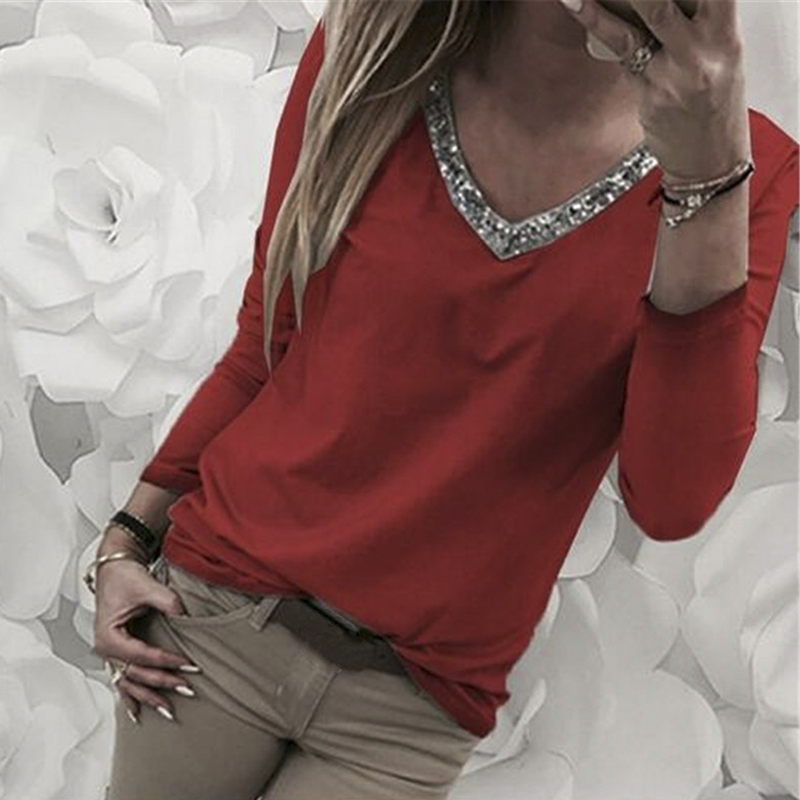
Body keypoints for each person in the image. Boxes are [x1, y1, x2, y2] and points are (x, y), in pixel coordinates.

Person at [88, 0, 799, 798]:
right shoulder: (375, 45)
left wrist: (704, 180)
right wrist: (125, 539)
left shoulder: (748, 174)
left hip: (410, 714)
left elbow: (671, 499)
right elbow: (268, 343)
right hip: (214, 623)